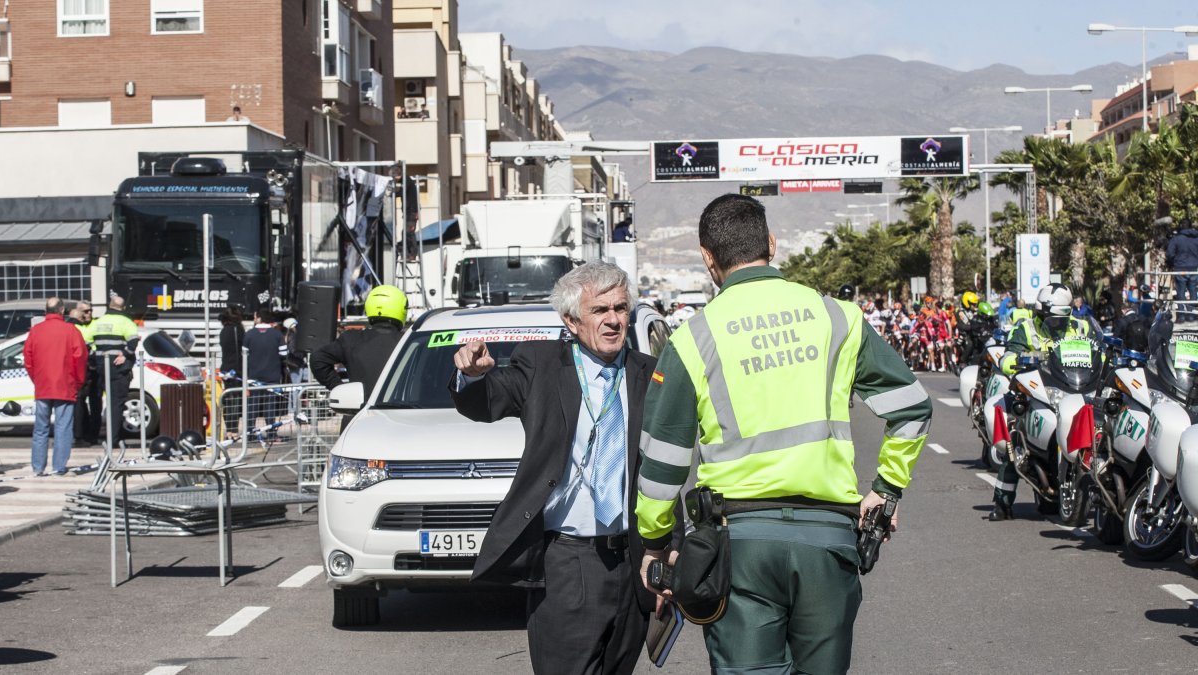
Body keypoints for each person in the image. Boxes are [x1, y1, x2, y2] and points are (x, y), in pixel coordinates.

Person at [635, 194, 931, 675]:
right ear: (772, 244)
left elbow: (663, 460)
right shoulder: (840, 318)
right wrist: (885, 491)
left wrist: (654, 543)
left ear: (708, 257)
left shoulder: (692, 339)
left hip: (739, 548)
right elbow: (912, 409)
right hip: (828, 541)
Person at [450, 262, 670, 675]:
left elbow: (666, 465)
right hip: (568, 561)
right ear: (571, 320)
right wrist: (473, 377)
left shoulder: (649, 373)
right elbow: (489, 400)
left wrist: (665, 554)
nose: (613, 320)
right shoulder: (540, 365)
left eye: (621, 309)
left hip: (632, 560)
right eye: (599, 310)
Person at [991, 283, 1096, 520]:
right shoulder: (1026, 329)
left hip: (1073, 388)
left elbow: (1099, 351)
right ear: (1040, 313)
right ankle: (1002, 502)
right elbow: (1008, 356)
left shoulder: (1081, 327)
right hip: (1036, 390)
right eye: (1049, 318)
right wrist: (1016, 361)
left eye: (1059, 318)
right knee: (1013, 437)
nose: (1054, 323)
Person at [310, 285, 407, 429]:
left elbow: (317, 359)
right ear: (401, 309)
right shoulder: (409, 342)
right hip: (402, 418)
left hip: (358, 418)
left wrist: (339, 388)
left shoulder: (352, 339)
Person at [24, 297, 89, 476]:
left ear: (46, 310)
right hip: (65, 385)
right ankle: (58, 466)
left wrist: (36, 379)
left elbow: (28, 360)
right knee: (63, 427)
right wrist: (78, 382)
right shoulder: (71, 331)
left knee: (40, 428)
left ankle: (38, 467)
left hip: (43, 386)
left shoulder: (36, 331)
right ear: (62, 310)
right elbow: (80, 357)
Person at [89, 294, 139, 441]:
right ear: (123, 308)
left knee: (106, 402)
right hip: (118, 367)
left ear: (109, 306)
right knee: (116, 403)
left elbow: (86, 341)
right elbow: (133, 341)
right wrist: (125, 354)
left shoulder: (98, 322)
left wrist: (95, 356)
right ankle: (113, 439)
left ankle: (102, 436)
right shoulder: (126, 322)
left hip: (100, 367)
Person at [241, 308, 287, 432]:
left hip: (253, 378)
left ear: (259, 318)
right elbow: (284, 354)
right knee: (270, 407)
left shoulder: (249, 334)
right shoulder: (277, 334)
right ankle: (271, 433)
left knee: (252, 407)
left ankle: (249, 434)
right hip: (272, 376)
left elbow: (244, 356)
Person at [66, 301, 99, 445]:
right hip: (81, 370)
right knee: (79, 403)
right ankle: (81, 435)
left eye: (90, 310)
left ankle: (88, 435)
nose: (89, 314)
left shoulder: (94, 325)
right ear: (78, 313)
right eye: (85, 311)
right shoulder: (74, 328)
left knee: (90, 404)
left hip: (93, 369)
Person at [218, 306, 245, 433]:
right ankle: (232, 428)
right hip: (236, 370)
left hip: (225, 369)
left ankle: (229, 427)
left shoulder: (224, 331)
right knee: (235, 400)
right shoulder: (238, 330)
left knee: (228, 400)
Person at [1167, 219, 1198, 320]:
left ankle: (1182, 316)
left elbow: (1170, 254)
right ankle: (1192, 315)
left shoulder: (1176, 239)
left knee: (1181, 293)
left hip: (1180, 268)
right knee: (1193, 292)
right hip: (1194, 268)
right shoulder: (1196, 238)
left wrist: (1174, 262)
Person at [282, 317, 308, 418]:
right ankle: (293, 410)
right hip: (296, 364)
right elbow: (293, 350)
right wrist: (303, 356)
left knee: (295, 387)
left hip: (295, 364)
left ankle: (293, 409)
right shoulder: (293, 336)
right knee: (296, 388)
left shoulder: (289, 335)